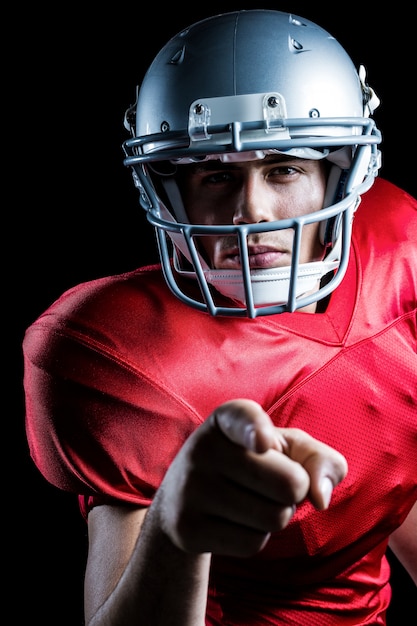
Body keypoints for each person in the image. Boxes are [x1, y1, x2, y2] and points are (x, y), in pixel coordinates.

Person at [23, 9, 416, 625]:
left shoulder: (401, 254)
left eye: (283, 167)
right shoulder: (113, 348)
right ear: (169, 190)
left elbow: (391, 476)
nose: (251, 211)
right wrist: (175, 528)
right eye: (214, 175)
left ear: (341, 175)